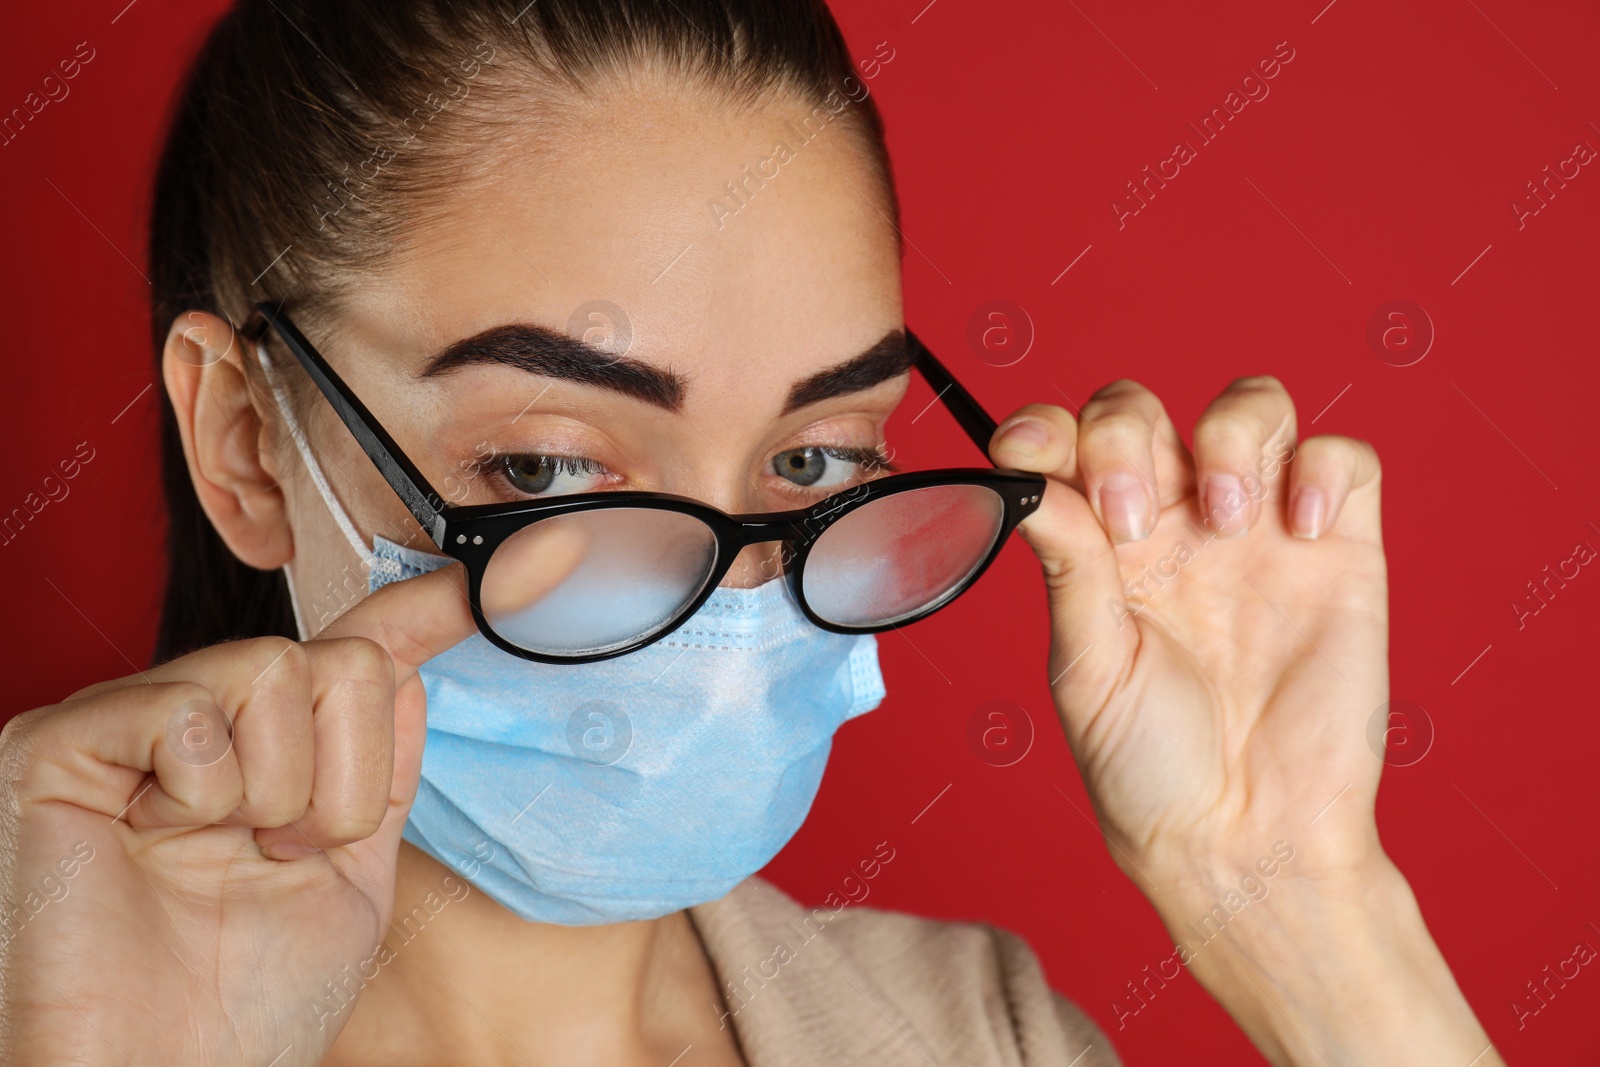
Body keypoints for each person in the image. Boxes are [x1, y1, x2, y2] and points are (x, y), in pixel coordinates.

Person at [0, 1, 1501, 1063]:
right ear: (246, 439)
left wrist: (1301, 902)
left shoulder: (981, 1043)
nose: (735, 597)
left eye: (814, 457)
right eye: (547, 465)